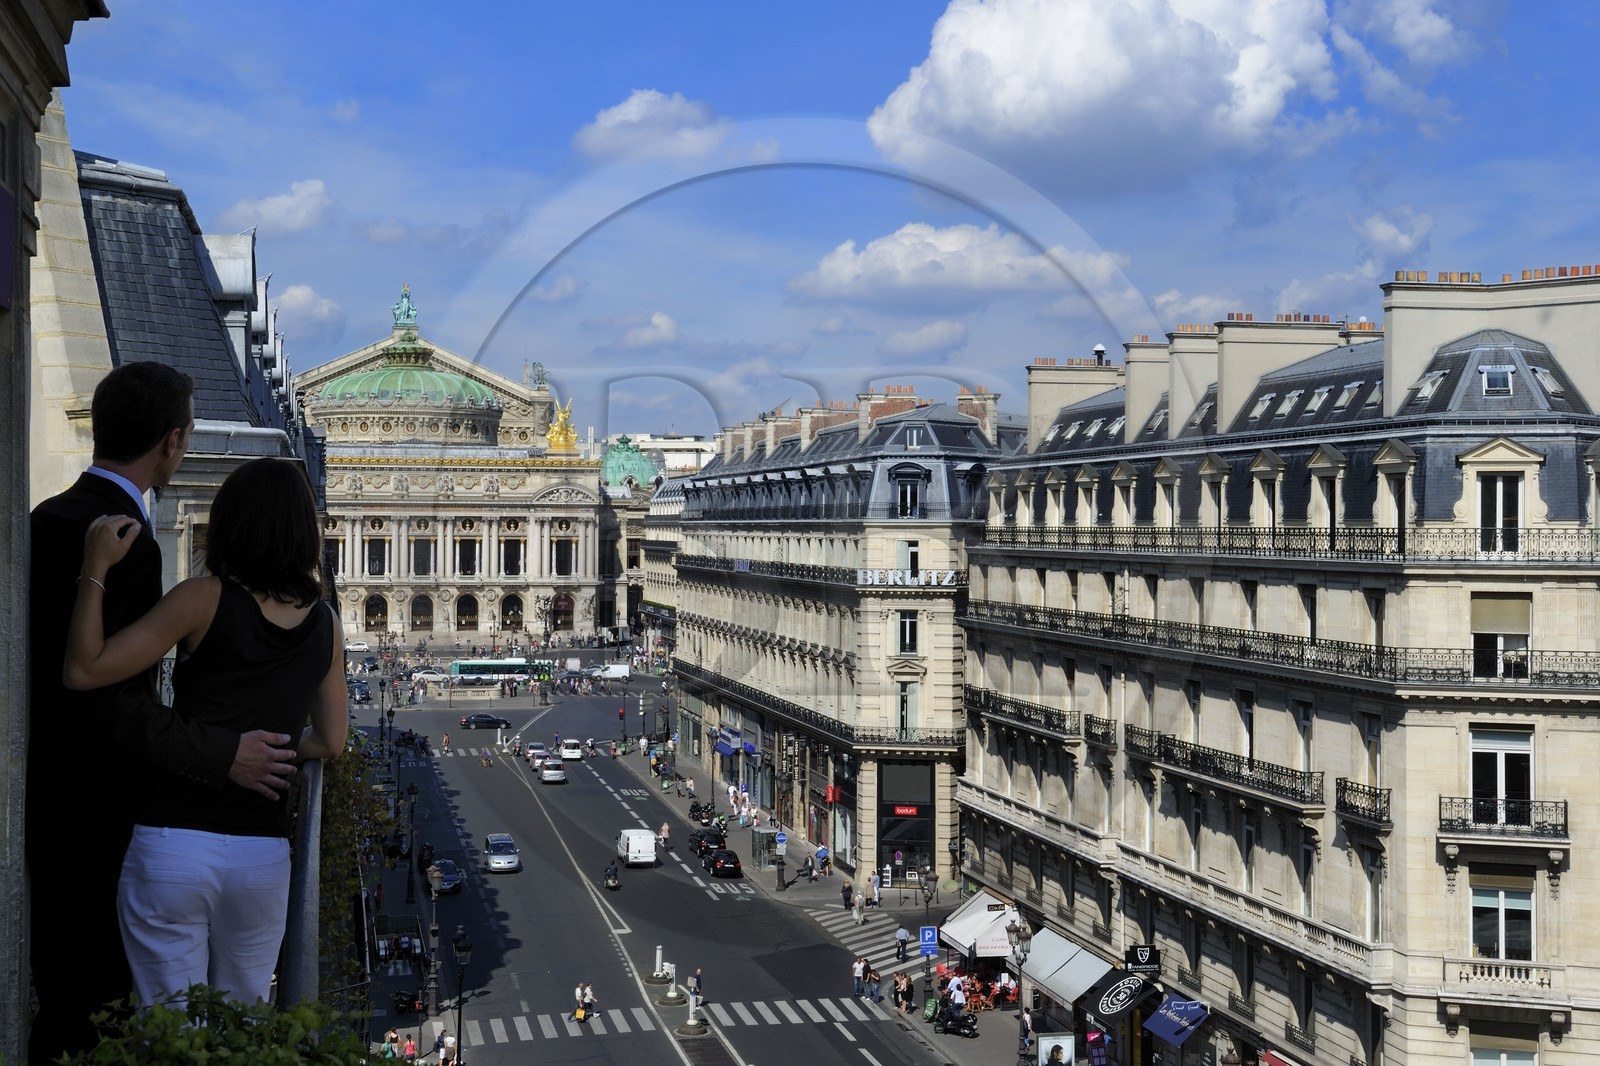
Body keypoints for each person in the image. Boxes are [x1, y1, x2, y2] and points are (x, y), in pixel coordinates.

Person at [27, 363, 299, 1061]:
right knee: (107, 1008)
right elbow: (108, 697)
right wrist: (220, 754)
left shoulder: (47, 517)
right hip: (99, 804)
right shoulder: (126, 539)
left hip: (49, 788)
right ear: (173, 443)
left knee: (71, 992)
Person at [63, 457, 347, 1008]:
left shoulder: (204, 597)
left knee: (169, 1028)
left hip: (175, 842)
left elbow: (84, 669)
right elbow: (332, 741)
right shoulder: (325, 623)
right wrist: (281, 754)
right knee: (242, 1023)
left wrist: (93, 570)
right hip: (261, 856)